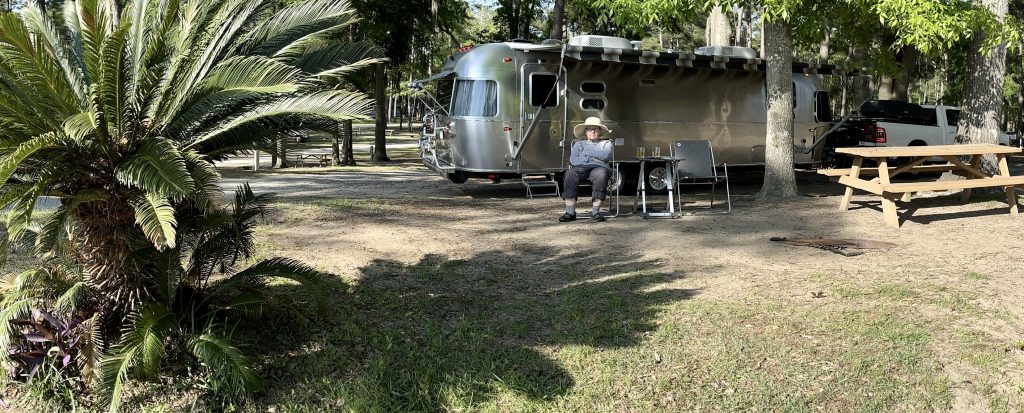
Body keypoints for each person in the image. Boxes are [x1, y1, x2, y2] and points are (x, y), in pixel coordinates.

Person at [559, 117, 613, 222]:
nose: (592, 131)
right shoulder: (578, 144)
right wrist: (593, 158)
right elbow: (573, 160)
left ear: (600, 131)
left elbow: (605, 156)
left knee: (601, 175)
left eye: (595, 129)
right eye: (589, 129)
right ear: (585, 132)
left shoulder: (606, 143)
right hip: (581, 167)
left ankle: (595, 212)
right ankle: (570, 212)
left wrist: (585, 154)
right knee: (570, 174)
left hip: (599, 167)